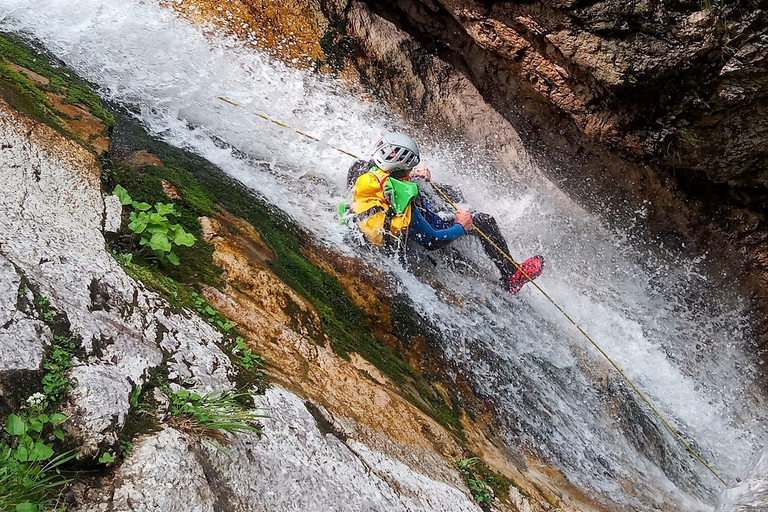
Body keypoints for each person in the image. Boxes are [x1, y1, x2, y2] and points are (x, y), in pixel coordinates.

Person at [346, 132, 543, 294]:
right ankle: (512, 276)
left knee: (451, 191)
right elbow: (432, 240)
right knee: (485, 221)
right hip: (423, 226)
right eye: (410, 167)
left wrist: (412, 175)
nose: (411, 170)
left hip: (371, 222)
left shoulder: (361, 170)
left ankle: (460, 209)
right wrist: (461, 226)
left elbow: (389, 183)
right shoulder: (405, 205)